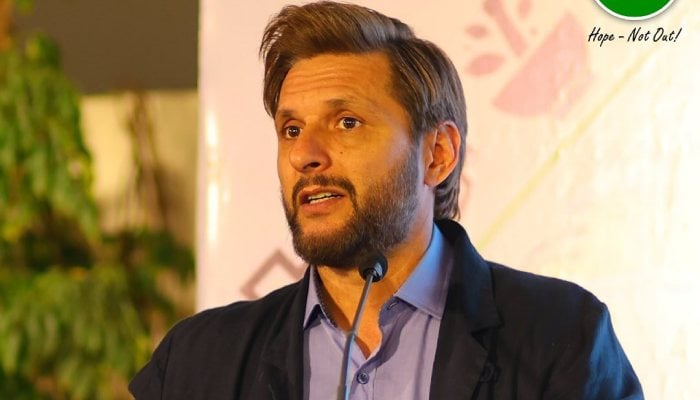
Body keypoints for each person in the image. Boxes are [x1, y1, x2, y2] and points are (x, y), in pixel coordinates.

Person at [129, 2, 643, 399]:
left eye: (346, 122)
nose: (305, 155)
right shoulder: (197, 362)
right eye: (291, 129)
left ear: (437, 154)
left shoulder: (559, 336)